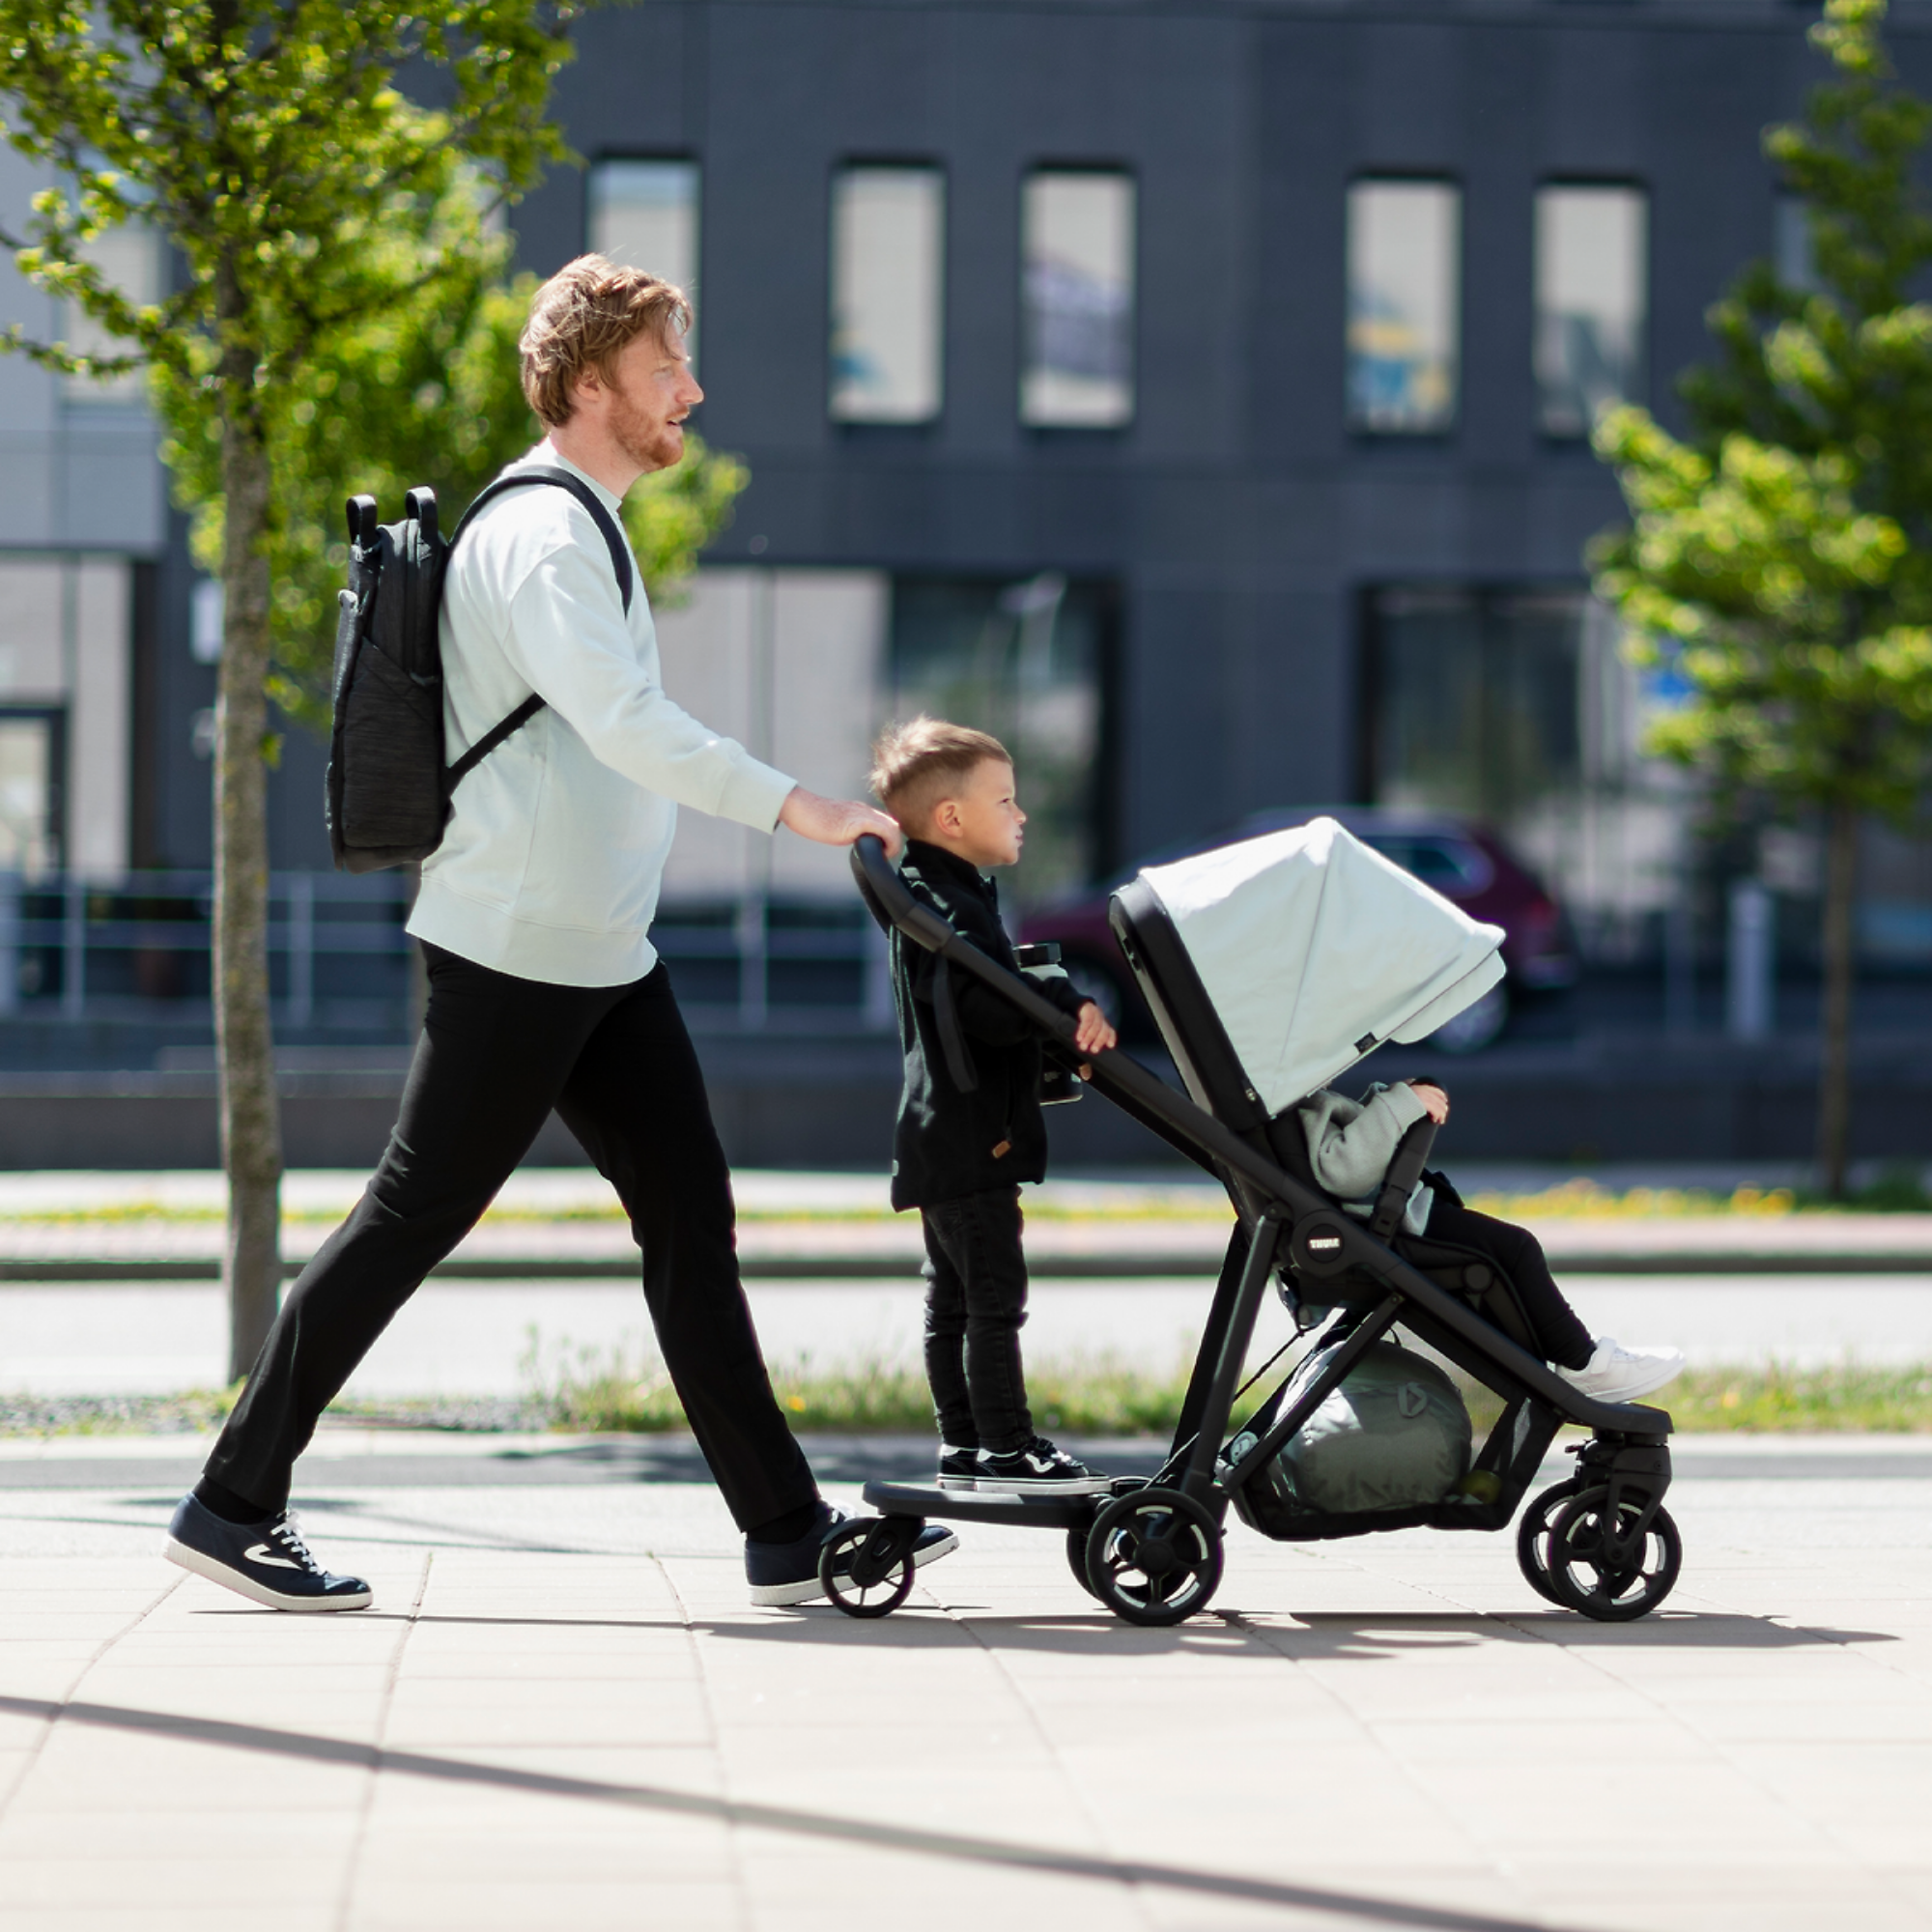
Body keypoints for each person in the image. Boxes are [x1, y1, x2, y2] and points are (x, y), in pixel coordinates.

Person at [164, 256, 955, 1612]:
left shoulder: (585, 521)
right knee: (413, 1217)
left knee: (690, 1221)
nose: (690, 394)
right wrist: (800, 809)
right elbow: (626, 727)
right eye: (664, 373)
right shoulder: (540, 537)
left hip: (599, 950)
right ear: (589, 387)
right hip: (523, 946)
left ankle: (783, 1528)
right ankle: (232, 1501)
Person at [869, 718, 1121, 1493]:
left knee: (952, 1301)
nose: (1022, 815)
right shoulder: (947, 907)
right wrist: (1061, 1014)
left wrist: (1056, 999)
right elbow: (984, 1006)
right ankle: (1008, 1449)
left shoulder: (939, 896)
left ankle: (965, 1446)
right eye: (1006, 800)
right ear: (952, 818)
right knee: (991, 1299)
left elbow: (992, 984)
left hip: (939, 1132)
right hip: (975, 1138)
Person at [1295, 1076, 1685, 1403]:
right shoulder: (1291, 1103)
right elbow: (1344, 1171)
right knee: (1516, 1250)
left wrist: (1395, 1098)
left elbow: (1342, 1146)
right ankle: (1582, 1364)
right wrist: (1400, 1104)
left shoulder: (1285, 1101)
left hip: (1390, 1217)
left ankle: (1569, 1360)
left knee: (1511, 1256)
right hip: (1394, 1226)